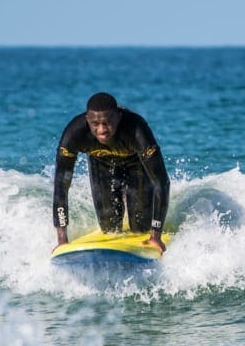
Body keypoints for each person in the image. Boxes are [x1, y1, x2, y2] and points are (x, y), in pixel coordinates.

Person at [52, 92, 170, 253]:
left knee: (141, 227)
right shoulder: (74, 134)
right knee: (109, 228)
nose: (102, 130)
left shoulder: (136, 129)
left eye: (107, 123)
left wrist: (155, 236)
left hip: (135, 164)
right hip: (101, 164)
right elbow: (61, 186)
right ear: (87, 119)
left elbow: (161, 182)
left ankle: (134, 205)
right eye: (95, 123)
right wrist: (62, 240)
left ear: (119, 117)